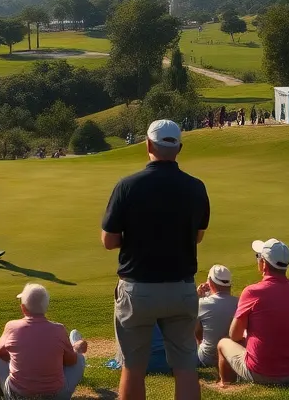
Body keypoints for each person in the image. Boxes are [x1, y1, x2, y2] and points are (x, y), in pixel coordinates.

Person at [101, 119, 208, 400]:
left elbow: (109, 241)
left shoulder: (127, 186)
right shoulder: (196, 187)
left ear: (148, 144)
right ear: (179, 148)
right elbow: (197, 236)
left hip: (138, 289)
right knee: (185, 366)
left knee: (133, 367)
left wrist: (135, 239)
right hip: (181, 288)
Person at [217, 239, 289, 387]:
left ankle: (225, 384)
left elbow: (234, 334)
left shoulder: (252, 292)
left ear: (264, 263)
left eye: (258, 257)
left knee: (223, 343)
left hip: (263, 373)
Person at [0, 284, 88, 400]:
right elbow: (72, 361)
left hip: (18, 396)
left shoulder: (11, 326)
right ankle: (74, 344)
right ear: (46, 307)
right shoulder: (59, 329)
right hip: (56, 396)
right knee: (80, 358)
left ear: (23, 308)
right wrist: (74, 349)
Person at [195, 265, 238, 369]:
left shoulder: (201, 303)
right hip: (231, 357)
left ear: (210, 282)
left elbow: (197, 334)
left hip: (206, 358)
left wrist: (198, 297)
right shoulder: (239, 302)